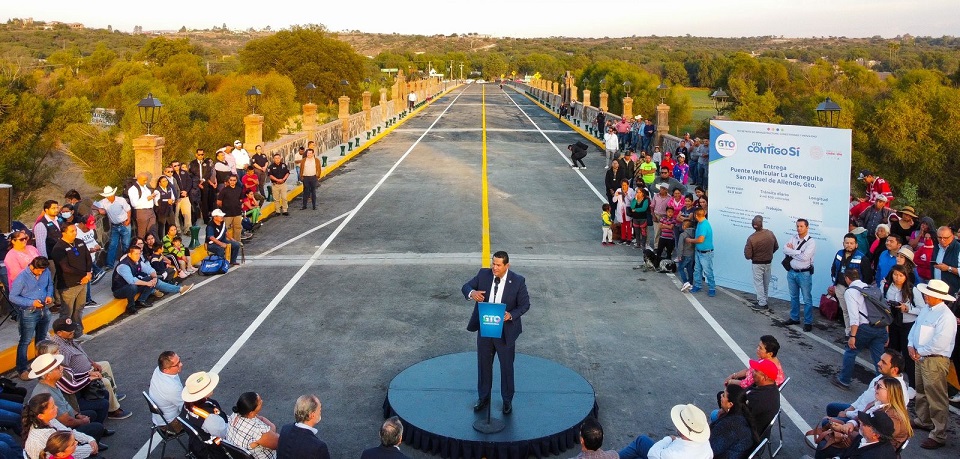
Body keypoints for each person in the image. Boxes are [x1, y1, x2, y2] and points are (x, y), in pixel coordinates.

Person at [461, 251, 530, 415]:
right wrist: (472, 293)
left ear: (507, 265)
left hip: (505, 332)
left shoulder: (518, 281)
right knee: (484, 366)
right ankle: (483, 398)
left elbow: (525, 305)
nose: (494, 267)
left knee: (507, 367)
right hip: (485, 329)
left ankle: (507, 401)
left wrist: (511, 315)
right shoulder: (483, 274)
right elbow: (466, 287)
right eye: (493, 263)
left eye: (498, 265)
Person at [907, 279, 958, 449]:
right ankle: (924, 420)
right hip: (922, 356)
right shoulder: (928, 310)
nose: (925, 296)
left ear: (938, 297)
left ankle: (939, 434)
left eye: (929, 294)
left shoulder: (946, 317)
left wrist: (918, 350)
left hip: (934, 359)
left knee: (936, 397)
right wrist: (910, 344)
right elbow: (915, 328)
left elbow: (940, 343)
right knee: (922, 391)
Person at [50, 317, 130, 421]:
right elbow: (68, 372)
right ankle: (113, 410)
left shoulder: (67, 338)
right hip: (80, 374)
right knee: (104, 382)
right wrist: (89, 375)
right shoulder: (59, 348)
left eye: (72, 328)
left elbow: (81, 353)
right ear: (59, 333)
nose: (72, 331)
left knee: (105, 364)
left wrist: (92, 363)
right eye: (69, 330)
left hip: (88, 369)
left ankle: (113, 395)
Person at [812, 376, 911, 458]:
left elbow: (875, 439)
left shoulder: (893, 419)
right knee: (828, 424)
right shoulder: (878, 403)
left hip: (870, 446)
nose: (875, 388)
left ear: (890, 393)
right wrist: (851, 424)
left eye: (879, 387)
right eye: (875, 384)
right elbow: (862, 417)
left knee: (824, 443)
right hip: (866, 438)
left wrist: (845, 431)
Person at [28, 354, 109, 442]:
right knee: (97, 426)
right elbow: (66, 421)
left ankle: (93, 440)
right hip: (60, 433)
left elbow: (66, 404)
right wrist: (82, 421)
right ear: (48, 375)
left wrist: (78, 415)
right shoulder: (47, 393)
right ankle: (88, 445)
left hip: (66, 421)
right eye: (58, 367)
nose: (62, 368)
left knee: (92, 414)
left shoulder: (50, 384)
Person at [833, 268, 888, 390]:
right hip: (880, 327)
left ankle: (844, 380)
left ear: (847, 279)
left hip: (864, 328)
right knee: (879, 359)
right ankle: (883, 387)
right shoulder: (872, 288)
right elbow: (884, 310)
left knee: (850, 352)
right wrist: (886, 332)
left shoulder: (850, 292)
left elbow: (854, 317)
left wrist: (852, 336)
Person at [9, 257, 54, 380]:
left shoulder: (46, 272)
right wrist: (31, 302)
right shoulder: (22, 278)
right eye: (38, 271)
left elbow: (50, 285)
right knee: (25, 341)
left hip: (44, 310)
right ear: (32, 267)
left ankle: (40, 365)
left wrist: (49, 295)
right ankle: (22, 369)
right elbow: (13, 297)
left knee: (41, 340)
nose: (41, 273)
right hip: (29, 312)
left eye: (43, 271)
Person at [618, 404, 712, 459]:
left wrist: (669, 438)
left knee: (641, 442)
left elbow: (652, 453)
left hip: (662, 454)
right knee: (641, 443)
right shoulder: (705, 443)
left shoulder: (674, 454)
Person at [22, 393, 101, 459]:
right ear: (40, 416)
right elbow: (70, 453)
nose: (57, 407)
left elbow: (68, 432)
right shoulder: (45, 435)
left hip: (65, 451)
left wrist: (90, 440)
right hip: (64, 454)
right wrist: (91, 448)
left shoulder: (48, 420)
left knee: (96, 429)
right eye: (52, 407)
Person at [49, 224, 91, 336]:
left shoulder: (79, 242)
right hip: (69, 285)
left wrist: (88, 273)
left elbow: (88, 257)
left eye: (75, 230)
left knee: (79, 309)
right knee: (67, 312)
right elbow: (65, 268)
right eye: (72, 231)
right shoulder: (58, 248)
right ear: (64, 232)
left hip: (83, 282)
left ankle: (78, 333)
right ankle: (63, 337)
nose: (75, 233)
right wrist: (84, 274)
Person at [181, 371, 229, 457]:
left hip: (197, 444)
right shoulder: (209, 417)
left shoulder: (187, 405)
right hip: (215, 450)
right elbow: (225, 433)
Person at [784, 218, 817, 331]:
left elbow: (805, 257)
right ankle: (794, 318)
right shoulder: (793, 237)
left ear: (807, 227)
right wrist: (798, 252)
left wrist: (792, 252)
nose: (799, 228)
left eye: (801, 226)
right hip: (792, 272)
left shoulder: (811, 242)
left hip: (804, 274)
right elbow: (785, 250)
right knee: (794, 297)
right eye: (797, 226)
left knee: (807, 299)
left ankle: (808, 322)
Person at [831, 233, 866, 336]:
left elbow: (866, 275)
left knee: (855, 313)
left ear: (856, 244)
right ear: (843, 243)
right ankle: (848, 333)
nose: (849, 245)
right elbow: (834, 268)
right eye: (847, 243)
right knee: (845, 311)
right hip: (840, 287)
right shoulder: (839, 253)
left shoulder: (862, 257)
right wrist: (835, 283)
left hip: (855, 291)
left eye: (851, 243)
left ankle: (857, 335)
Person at [227, 392, 279, 459]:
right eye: (260, 402)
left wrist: (261, 419)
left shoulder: (234, 415)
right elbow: (277, 443)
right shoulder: (257, 430)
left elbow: (259, 418)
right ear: (251, 413)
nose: (262, 401)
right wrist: (272, 427)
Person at [277, 394, 329, 459]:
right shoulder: (318, 446)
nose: (320, 412)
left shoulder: (285, 429)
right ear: (312, 415)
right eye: (319, 410)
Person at [709, 384, 754, 459]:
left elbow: (709, 450)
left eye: (723, 395)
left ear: (730, 404)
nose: (721, 396)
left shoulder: (728, 426)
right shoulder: (742, 414)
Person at [744, 215, 779, 310]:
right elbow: (776, 246)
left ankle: (762, 303)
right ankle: (765, 300)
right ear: (762, 223)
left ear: (753, 225)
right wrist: (769, 253)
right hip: (768, 262)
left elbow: (747, 255)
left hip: (757, 263)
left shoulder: (751, 238)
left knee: (758, 283)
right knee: (765, 283)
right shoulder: (770, 234)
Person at [94, 186, 132, 270]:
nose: (109, 196)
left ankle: (128, 263)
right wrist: (99, 209)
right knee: (112, 245)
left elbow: (128, 209)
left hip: (124, 223)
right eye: (108, 195)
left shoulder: (121, 200)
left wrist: (128, 219)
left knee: (126, 245)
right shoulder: (103, 202)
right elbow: (93, 204)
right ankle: (110, 265)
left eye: (110, 195)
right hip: (115, 226)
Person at [149, 351, 184, 429]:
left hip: (160, 419)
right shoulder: (172, 388)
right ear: (166, 370)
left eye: (179, 360)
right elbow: (186, 407)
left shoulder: (158, 370)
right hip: (171, 423)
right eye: (177, 364)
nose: (181, 364)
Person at [687, 209, 716, 296]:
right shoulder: (701, 223)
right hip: (699, 251)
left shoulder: (703, 225)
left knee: (707, 271)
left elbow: (701, 239)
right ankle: (698, 285)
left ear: (696, 215)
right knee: (697, 270)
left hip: (705, 253)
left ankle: (712, 288)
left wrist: (690, 240)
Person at [129, 172, 160, 239]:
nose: (146, 182)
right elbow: (134, 204)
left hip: (150, 211)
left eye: (147, 180)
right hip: (141, 212)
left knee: (153, 231)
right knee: (142, 233)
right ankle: (142, 248)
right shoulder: (133, 189)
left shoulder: (145, 187)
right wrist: (147, 199)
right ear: (138, 179)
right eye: (144, 180)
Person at [930, 225, 960, 295]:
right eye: (940, 238)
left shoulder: (958, 249)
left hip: (952, 292)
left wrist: (948, 268)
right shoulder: (937, 247)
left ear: (952, 236)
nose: (942, 240)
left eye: (945, 238)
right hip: (936, 289)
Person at [217, 175, 244, 242]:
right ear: (228, 181)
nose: (232, 182)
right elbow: (219, 202)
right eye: (231, 180)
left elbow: (241, 200)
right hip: (227, 214)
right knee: (224, 229)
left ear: (236, 181)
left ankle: (237, 243)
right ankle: (225, 244)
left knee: (238, 228)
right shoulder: (224, 190)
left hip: (237, 213)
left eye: (234, 180)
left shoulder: (239, 189)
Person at [676, 219, 696, 291]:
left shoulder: (683, 234)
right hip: (691, 254)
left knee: (680, 268)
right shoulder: (694, 233)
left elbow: (680, 246)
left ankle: (685, 282)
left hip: (684, 254)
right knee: (689, 269)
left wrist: (679, 255)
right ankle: (691, 282)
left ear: (684, 226)